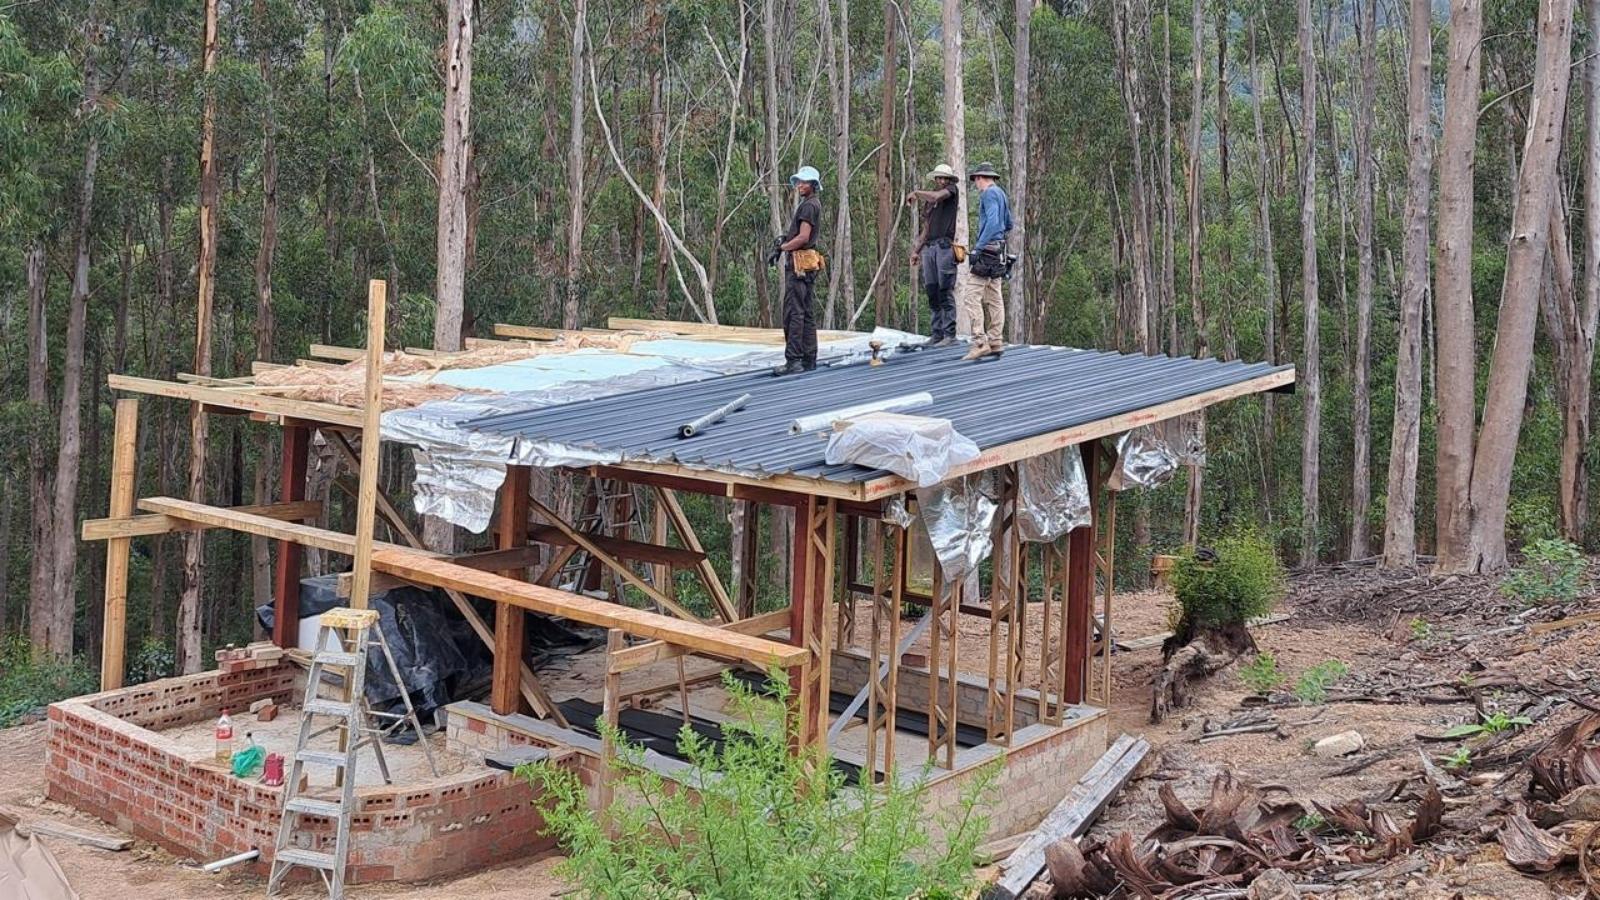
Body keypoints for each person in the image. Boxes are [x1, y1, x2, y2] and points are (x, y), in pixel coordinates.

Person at [769, 165, 825, 376]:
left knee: (794, 313)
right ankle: (809, 359)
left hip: (799, 266)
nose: (800, 185)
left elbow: (803, 237)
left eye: (804, 182)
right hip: (807, 267)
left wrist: (781, 248)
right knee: (807, 313)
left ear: (813, 185)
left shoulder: (808, 206)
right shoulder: (812, 204)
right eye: (799, 182)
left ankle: (793, 361)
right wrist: (786, 239)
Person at [963, 161, 1013, 361]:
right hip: (999, 250)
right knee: (994, 295)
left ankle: (980, 342)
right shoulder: (1001, 194)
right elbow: (1008, 223)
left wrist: (978, 247)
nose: (976, 183)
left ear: (980, 178)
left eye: (976, 179)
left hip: (988, 251)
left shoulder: (989, 194)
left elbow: (993, 222)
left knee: (970, 295)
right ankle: (996, 340)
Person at [906, 163, 961, 346]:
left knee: (945, 289)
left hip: (944, 247)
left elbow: (937, 195)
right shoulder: (931, 204)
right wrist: (916, 251)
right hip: (929, 248)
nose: (941, 181)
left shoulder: (951, 191)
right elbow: (926, 229)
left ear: (949, 180)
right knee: (932, 290)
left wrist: (916, 193)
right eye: (939, 178)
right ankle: (936, 333)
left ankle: (949, 334)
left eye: (944, 178)